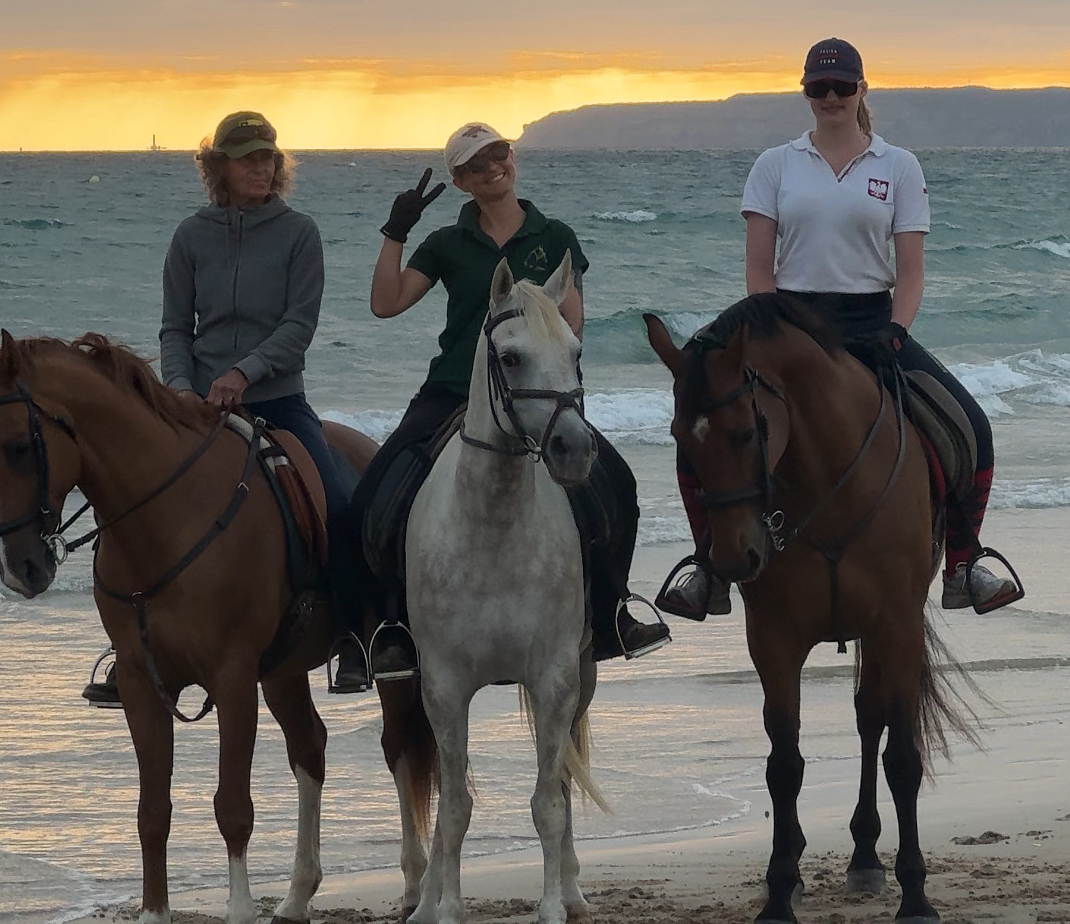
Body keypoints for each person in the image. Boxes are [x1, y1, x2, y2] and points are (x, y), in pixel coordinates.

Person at [657, 38, 1020, 621]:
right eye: (818, 88)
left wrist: (896, 332)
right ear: (805, 94)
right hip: (789, 323)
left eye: (841, 87)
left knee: (971, 427)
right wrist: (773, 336)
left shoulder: (898, 166)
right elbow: (758, 268)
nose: (830, 97)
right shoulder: (774, 164)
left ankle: (962, 563)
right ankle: (707, 566)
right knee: (699, 421)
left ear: (861, 91)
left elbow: (910, 272)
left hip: (873, 323)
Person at [332, 120, 669, 686]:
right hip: (452, 391)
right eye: (478, 164)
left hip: (535, 391)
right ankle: (380, 633)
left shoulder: (554, 235)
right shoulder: (446, 244)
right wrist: (396, 231)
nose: (494, 168)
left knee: (618, 488)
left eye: (500, 156)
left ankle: (613, 614)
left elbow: (572, 321)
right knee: (372, 499)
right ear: (461, 181)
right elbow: (385, 304)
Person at [83, 109, 357, 705]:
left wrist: (243, 372)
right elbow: (175, 327)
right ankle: (129, 642)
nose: (261, 167)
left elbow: (297, 328)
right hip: (195, 404)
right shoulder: (191, 236)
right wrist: (180, 386)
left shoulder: (299, 233)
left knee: (337, 504)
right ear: (220, 168)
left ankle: (355, 634)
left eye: (269, 157)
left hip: (278, 398)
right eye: (248, 158)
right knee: (131, 504)